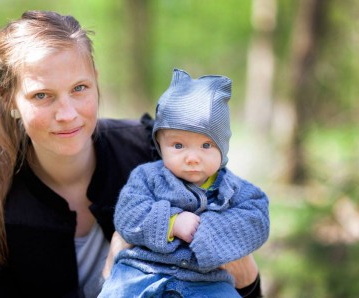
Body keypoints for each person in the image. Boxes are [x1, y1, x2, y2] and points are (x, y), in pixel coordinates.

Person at [0, 10, 264, 298]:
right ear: (10, 101)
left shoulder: (152, 151)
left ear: (97, 81)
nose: (67, 113)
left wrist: (245, 276)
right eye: (42, 95)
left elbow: (242, 277)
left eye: (79, 88)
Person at [99, 69, 270, 298]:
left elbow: (256, 219)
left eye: (206, 146)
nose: (192, 157)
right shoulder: (147, 177)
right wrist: (171, 222)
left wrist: (208, 231)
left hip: (207, 281)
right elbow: (127, 214)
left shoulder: (233, 188)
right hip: (141, 272)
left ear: (223, 148)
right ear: (160, 145)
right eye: (178, 146)